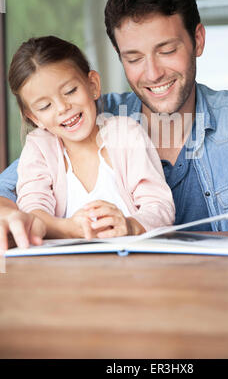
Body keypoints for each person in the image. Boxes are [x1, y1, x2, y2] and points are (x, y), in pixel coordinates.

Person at [0, 0, 228, 248]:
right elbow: (9, 194)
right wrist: (14, 216)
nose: (152, 73)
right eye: (134, 58)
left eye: (167, 51)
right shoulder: (92, 117)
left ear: (197, 40)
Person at [0, 35, 175, 250]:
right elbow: (33, 212)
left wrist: (130, 226)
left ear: (93, 85)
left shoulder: (127, 134)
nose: (63, 107)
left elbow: (160, 207)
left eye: (70, 91)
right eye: (45, 106)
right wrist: (71, 229)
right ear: (34, 118)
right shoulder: (39, 148)